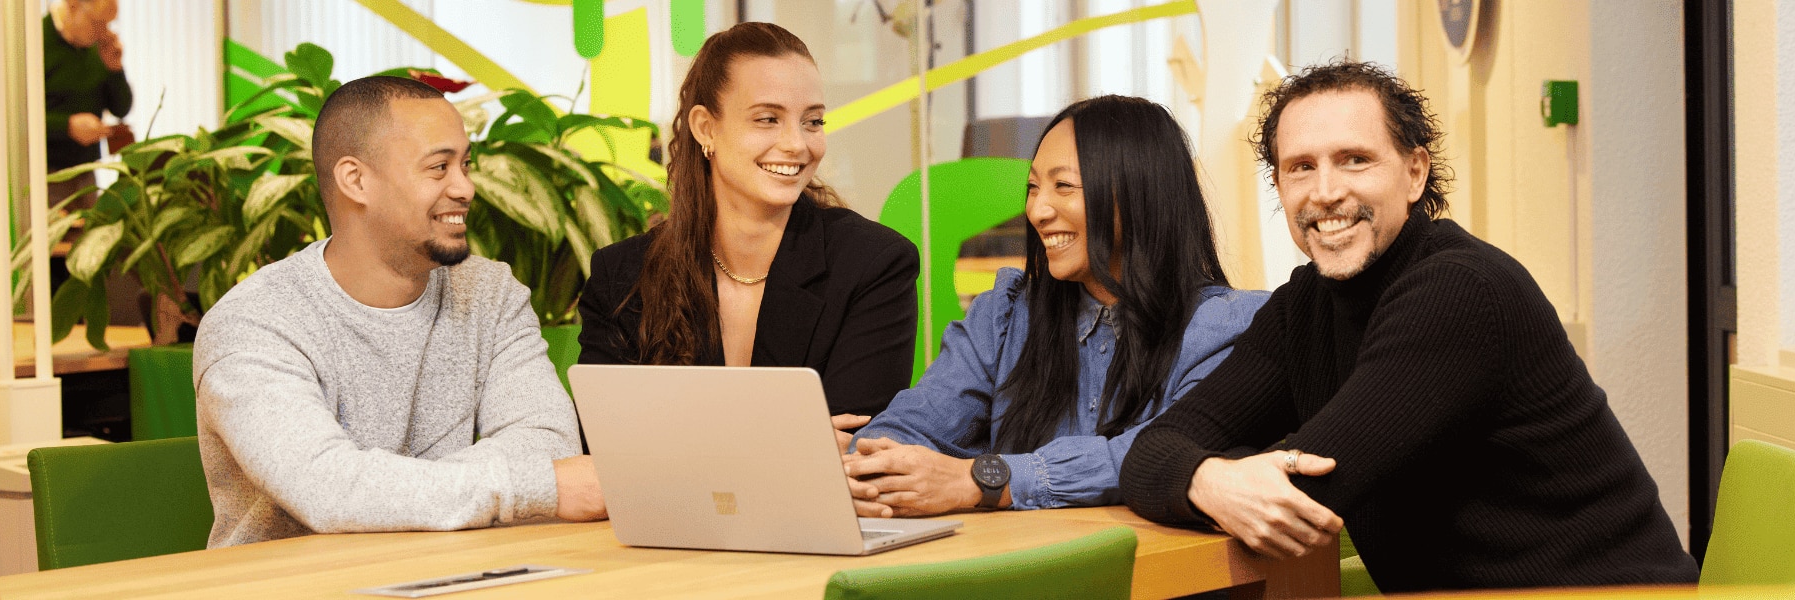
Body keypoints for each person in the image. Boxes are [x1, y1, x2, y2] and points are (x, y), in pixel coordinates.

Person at [1118, 61, 1698, 592]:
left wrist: (1203, 473)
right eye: (1301, 168)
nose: (1326, 192)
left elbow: (1305, 492)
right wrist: (1206, 478)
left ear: (1415, 173)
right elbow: (1150, 451)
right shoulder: (1304, 305)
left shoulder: (1460, 292)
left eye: (1355, 159)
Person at [193, 76, 605, 548]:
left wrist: (389, 492)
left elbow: (548, 443)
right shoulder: (255, 321)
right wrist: (527, 487)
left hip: (463, 574)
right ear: (356, 181)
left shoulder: (490, 294)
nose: (465, 188)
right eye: (439, 167)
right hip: (295, 581)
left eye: (465, 165)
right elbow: (328, 489)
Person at [842, 95, 1269, 518]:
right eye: (1032, 187)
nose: (1036, 210)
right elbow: (908, 425)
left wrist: (982, 480)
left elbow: (1161, 453)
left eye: (1063, 186)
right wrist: (874, 467)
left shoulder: (1228, 327)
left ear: (1139, 194)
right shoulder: (1005, 316)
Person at [577, 22, 918, 425]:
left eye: (812, 121)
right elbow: (607, 443)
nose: (797, 144)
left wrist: (676, 439)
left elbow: (858, 448)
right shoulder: (621, 278)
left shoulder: (873, 265)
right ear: (705, 128)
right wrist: (799, 437)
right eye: (768, 119)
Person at [45, 0, 132, 211]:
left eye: (108, 24)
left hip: (86, 172)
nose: (104, 32)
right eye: (97, 23)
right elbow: (22, 118)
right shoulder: (36, 42)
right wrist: (68, 126)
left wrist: (115, 69)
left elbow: (121, 109)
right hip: (47, 174)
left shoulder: (98, 47)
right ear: (73, 6)